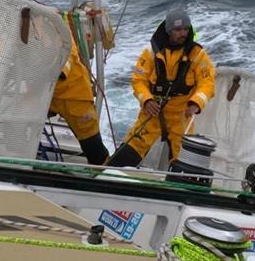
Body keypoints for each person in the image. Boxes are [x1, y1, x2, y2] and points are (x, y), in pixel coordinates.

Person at [107, 9, 215, 168]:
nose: (183, 33)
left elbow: (207, 82)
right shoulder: (151, 52)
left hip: (181, 116)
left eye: (186, 29)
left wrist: (196, 103)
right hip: (152, 113)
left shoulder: (198, 55)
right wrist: (147, 100)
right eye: (178, 30)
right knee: (130, 150)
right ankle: (108, 176)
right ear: (169, 30)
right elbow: (138, 80)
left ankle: (175, 189)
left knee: (184, 162)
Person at [49, 38, 109, 165]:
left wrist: (60, 71)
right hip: (45, 95)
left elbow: (68, 52)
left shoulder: (55, 25)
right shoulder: (11, 26)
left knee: (93, 146)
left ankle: (103, 175)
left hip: (74, 96)